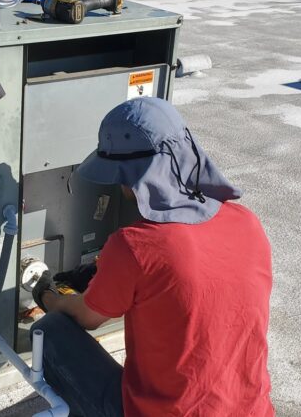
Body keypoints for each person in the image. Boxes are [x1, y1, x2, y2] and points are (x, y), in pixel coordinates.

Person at [31, 97, 274, 416]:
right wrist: (105, 271)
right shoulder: (246, 221)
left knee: (50, 332)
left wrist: (47, 294)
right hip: (251, 410)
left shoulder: (134, 245)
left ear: (125, 176)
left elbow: (86, 318)